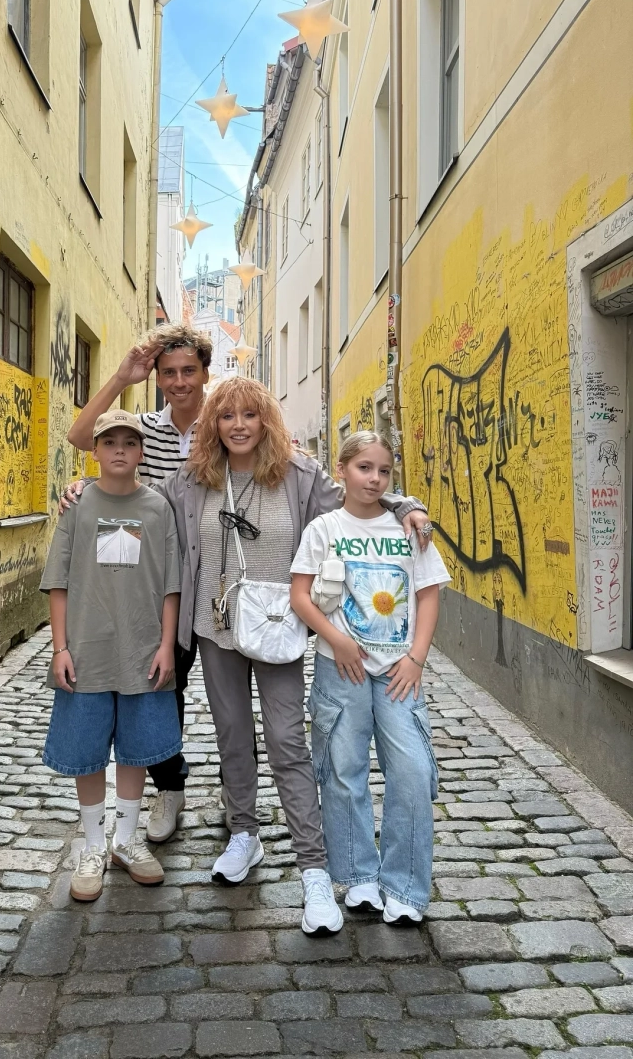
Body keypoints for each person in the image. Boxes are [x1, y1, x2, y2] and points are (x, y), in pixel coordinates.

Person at [154, 378, 431, 937]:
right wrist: (82, 490)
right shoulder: (193, 477)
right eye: (226, 415)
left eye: (249, 415)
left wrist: (409, 506)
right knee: (232, 736)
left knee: (286, 741)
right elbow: (139, 500)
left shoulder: (298, 474)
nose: (238, 425)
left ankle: (312, 869)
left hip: (280, 628)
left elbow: (361, 496)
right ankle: (244, 834)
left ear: (266, 420)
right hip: (216, 626)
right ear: (213, 423)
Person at [64, 323, 240, 844]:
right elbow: (82, 438)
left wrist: (395, 502)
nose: (179, 381)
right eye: (168, 373)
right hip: (152, 579)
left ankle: (238, 791)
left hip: (217, 575)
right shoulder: (143, 428)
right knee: (164, 686)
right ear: (157, 377)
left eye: (188, 371)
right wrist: (123, 376)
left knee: (232, 692)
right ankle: (170, 788)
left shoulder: (224, 424)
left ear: (205, 373)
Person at [290, 431, 450, 925]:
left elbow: (427, 593)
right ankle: (359, 875)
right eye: (364, 468)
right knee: (344, 771)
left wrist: (416, 658)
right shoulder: (324, 528)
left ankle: (404, 885)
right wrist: (335, 640)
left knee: (412, 772)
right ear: (341, 470)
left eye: (383, 470)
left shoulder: (409, 528)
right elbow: (299, 595)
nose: (375, 479)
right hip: (341, 669)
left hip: (398, 671)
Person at [40, 410, 182, 902]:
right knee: (87, 748)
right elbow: (58, 580)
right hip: (87, 649)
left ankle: (125, 839)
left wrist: (166, 644)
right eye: (109, 442)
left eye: (129, 442)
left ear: (141, 451)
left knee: (137, 746)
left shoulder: (158, 507)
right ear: (95, 450)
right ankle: (93, 844)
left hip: (143, 648)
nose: (120, 449)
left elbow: (171, 584)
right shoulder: (78, 506)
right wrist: (60, 647)